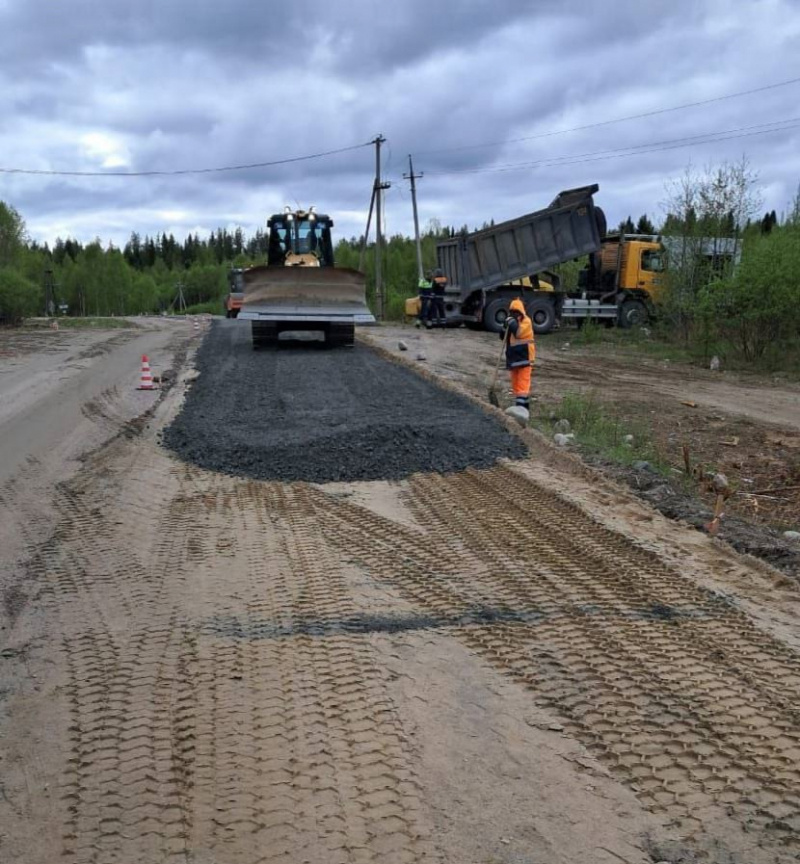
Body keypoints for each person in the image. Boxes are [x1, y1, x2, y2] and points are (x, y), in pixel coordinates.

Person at [502, 298, 535, 416]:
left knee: (523, 385)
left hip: (525, 358)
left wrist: (511, 323)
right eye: (512, 312)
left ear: (521, 312)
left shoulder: (526, 321)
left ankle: (521, 410)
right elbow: (503, 337)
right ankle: (523, 409)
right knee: (516, 385)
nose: (514, 314)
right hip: (514, 359)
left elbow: (519, 333)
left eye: (516, 312)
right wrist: (504, 326)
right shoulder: (512, 322)